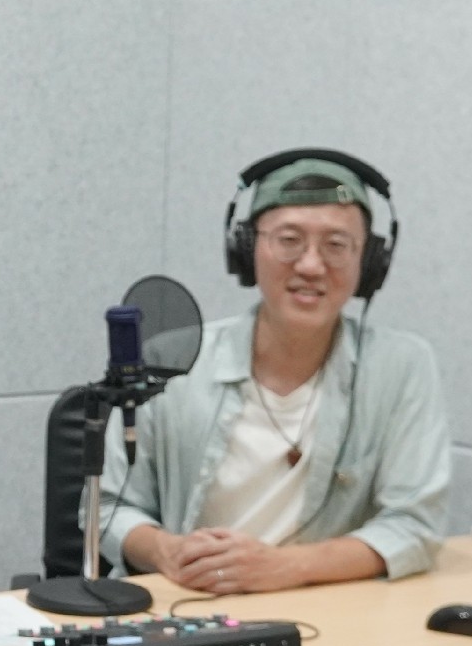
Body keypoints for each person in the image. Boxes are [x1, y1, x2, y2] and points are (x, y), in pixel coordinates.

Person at [102, 149, 451, 595]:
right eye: (289, 240)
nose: (311, 265)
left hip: (325, 610)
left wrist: (285, 567)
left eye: (336, 245)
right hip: (184, 603)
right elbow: (107, 507)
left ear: (369, 262)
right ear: (247, 249)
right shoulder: (172, 362)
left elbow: (415, 525)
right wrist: (166, 552)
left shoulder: (401, 366)